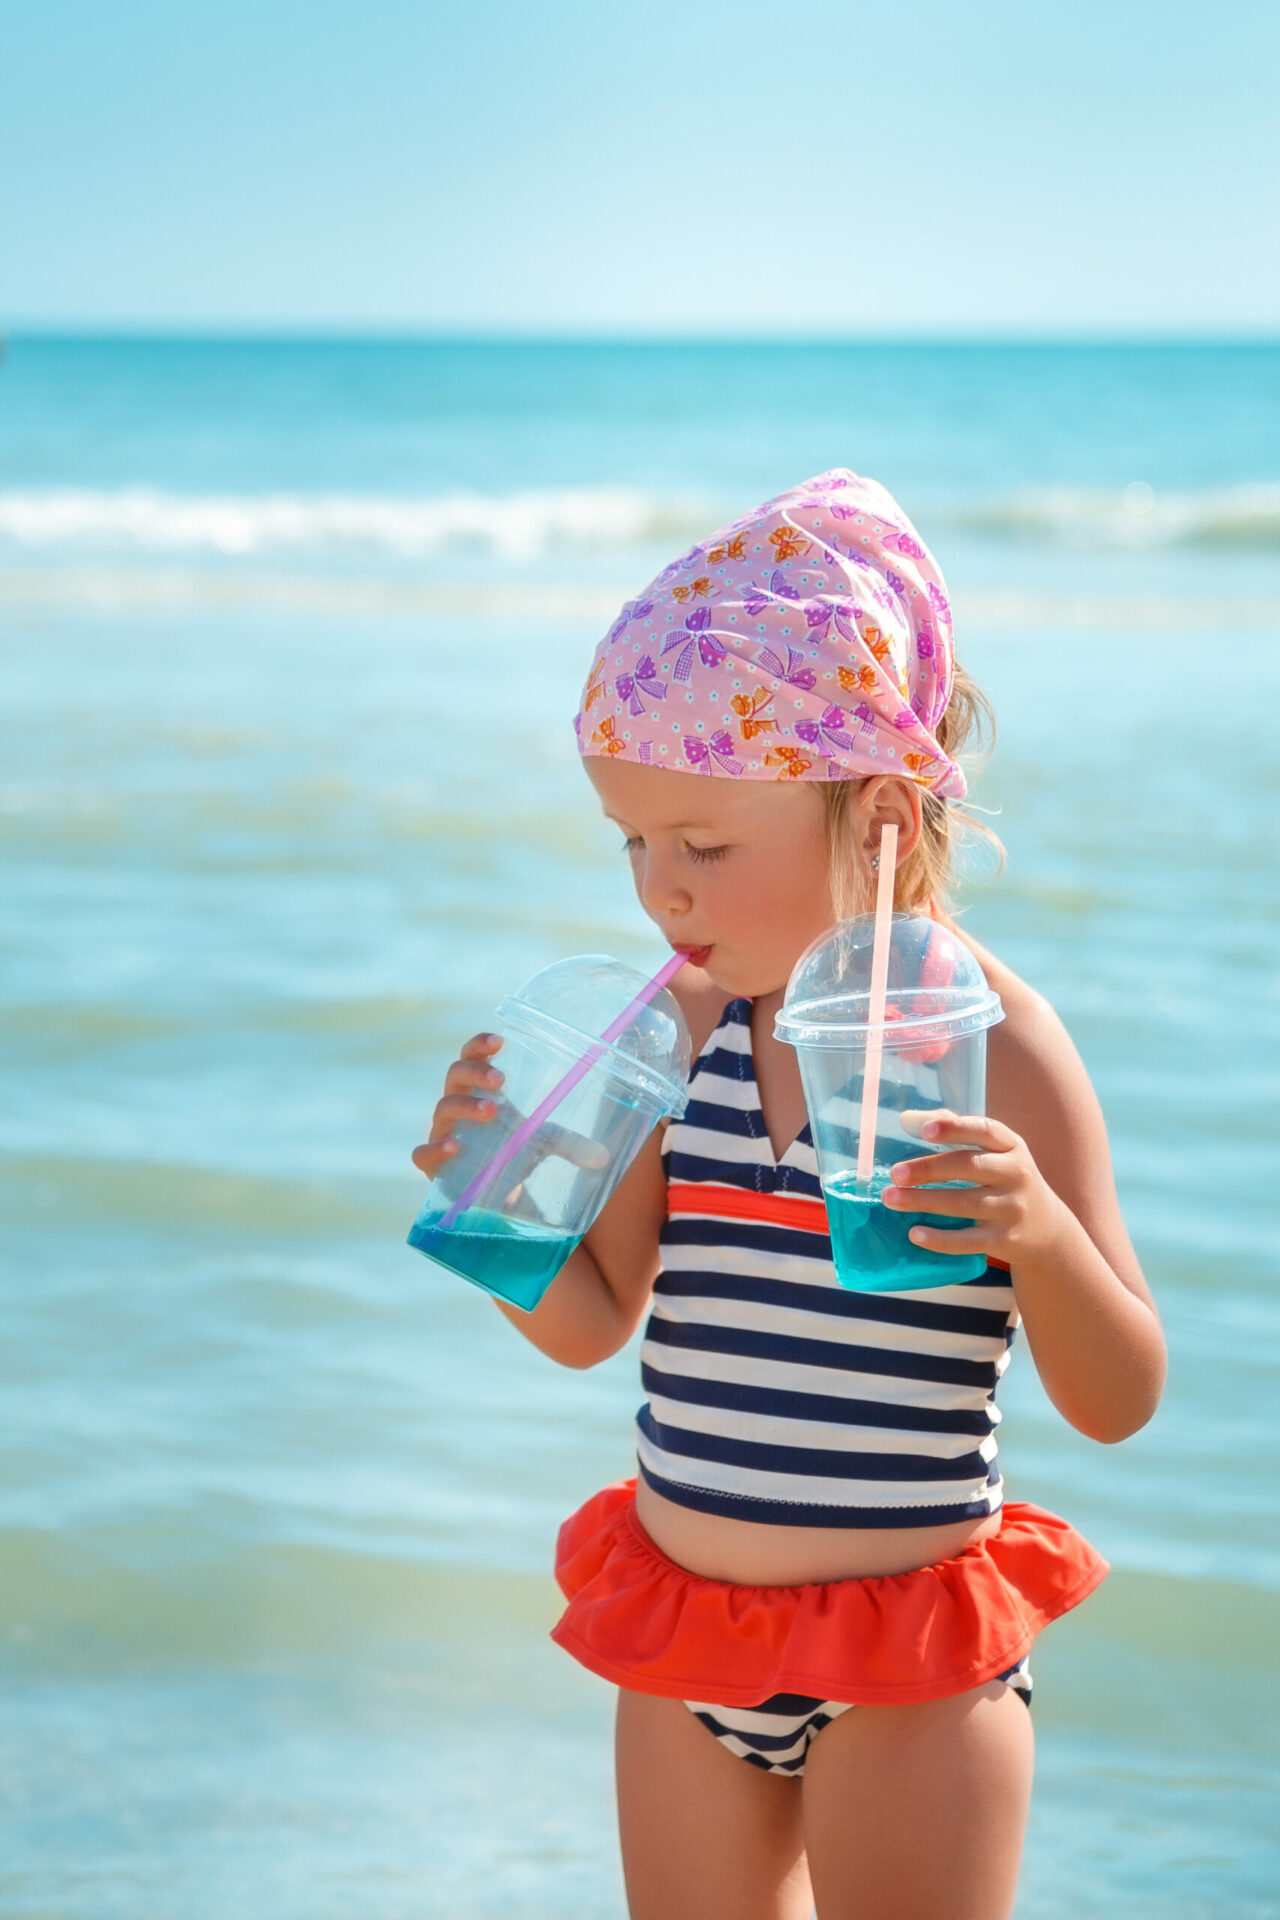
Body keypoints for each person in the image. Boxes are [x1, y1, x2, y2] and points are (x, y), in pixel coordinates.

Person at [412, 471, 1167, 1920]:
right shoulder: (679, 1034)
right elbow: (595, 1321)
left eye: (703, 848)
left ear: (877, 816)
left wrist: (1041, 1236)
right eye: (633, 843)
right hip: (687, 1642)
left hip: (909, 1671)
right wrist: (490, 1203)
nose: (662, 895)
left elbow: (1121, 1390)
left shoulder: (994, 1047)